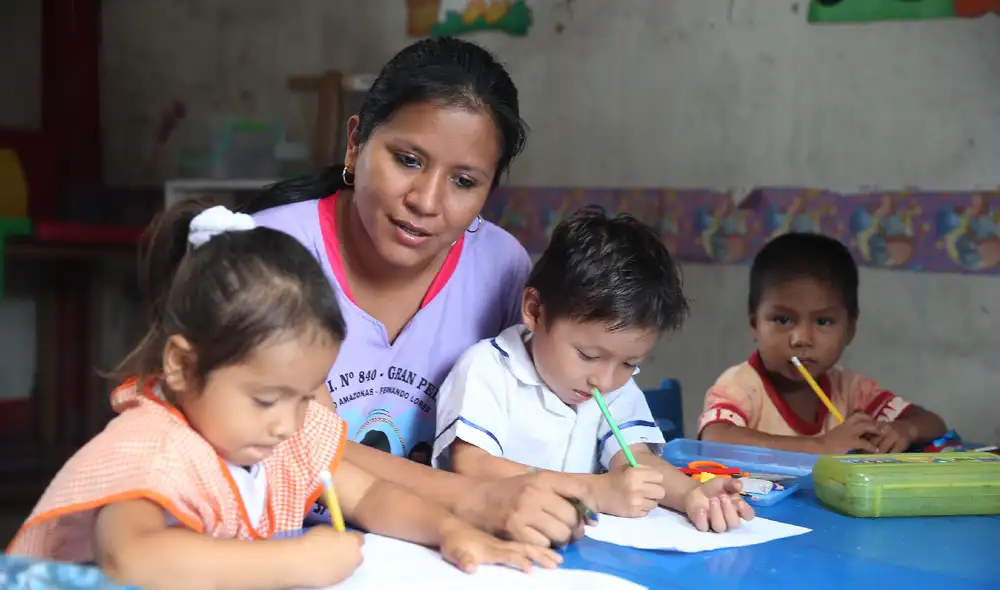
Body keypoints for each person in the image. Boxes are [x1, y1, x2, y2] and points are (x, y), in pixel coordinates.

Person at [6, 201, 560, 589]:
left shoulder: (275, 432)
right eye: (267, 399)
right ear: (181, 366)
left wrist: (450, 531)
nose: (289, 423)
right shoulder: (152, 446)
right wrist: (294, 562)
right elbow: (131, 558)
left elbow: (369, 494)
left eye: (304, 396)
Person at [245, 36, 588, 546]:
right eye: (407, 159)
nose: (426, 201)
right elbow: (300, 442)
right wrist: (473, 500)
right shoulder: (265, 252)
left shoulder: (500, 267)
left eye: (464, 181)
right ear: (356, 143)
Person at [432, 207, 755, 533]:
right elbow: (472, 466)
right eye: (588, 355)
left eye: (629, 363)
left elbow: (635, 459)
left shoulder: (615, 386)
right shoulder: (487, 369)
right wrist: (594, 492)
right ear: (535, 311)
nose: (604, 380)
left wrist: (691, 494)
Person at [698, 232, 947, 454]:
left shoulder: (852, 390)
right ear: (754, 324)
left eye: (823, 322)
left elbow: (932, 423)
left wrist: (904, 430)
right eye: (782, 319)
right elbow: (714, 439)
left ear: (850, 329)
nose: (801, 339)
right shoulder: (740, 386)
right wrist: (819, 446)